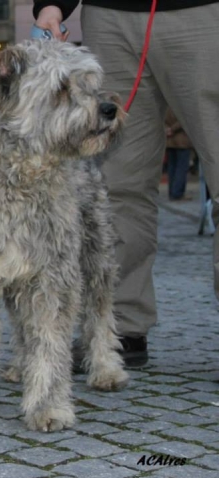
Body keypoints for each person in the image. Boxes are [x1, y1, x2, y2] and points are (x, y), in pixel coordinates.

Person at [33, 0, 219, 368]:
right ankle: (118, 330)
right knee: (117, 185)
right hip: (110, 17)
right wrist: (51, 4)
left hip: (201, 13)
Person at [165, 108, 192, 201]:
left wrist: (167, 129)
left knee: (172, 167)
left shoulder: (166, 105)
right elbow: (184, 119)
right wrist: (172, 129)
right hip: (182, 141)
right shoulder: (180, 103)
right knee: (181, 167)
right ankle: (177, 193)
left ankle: (172, 192)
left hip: (170, 140)